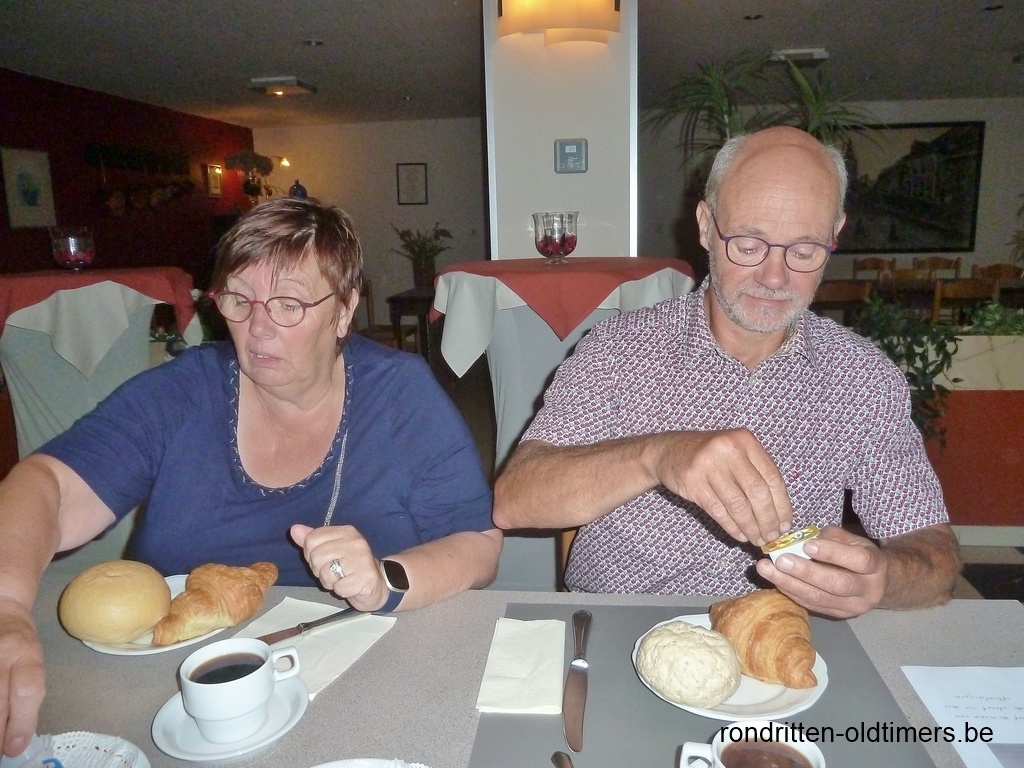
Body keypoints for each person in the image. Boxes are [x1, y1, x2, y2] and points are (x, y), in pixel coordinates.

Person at [0, 197, 501, 757]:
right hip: (176, 687)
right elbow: (48, 486)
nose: (258, 328)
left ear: (343, 310)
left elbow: (478, 545)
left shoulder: (399, 394)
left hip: (366, 679)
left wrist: (385, 582)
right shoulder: (184, 391)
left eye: (289, 305)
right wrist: (8, 608)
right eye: (239, 300)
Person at [494, 126, 959, 619]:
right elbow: (515, 498)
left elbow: (935, 555)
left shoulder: (862, 377)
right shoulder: (618, 350)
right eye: (749, 244)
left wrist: (883, 578)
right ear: (705, 225)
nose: (775, 277)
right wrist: (657, 455)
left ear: (834, 235)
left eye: (804, 250)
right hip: (620, 623)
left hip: (778, 633)